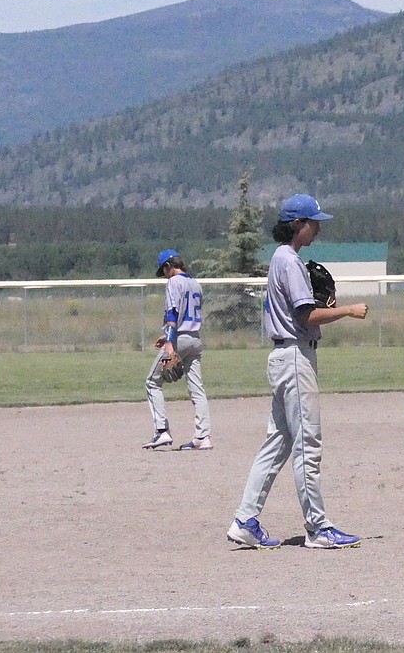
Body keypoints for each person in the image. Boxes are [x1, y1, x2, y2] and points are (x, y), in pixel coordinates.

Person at [226, 194, 368, 551]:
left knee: (278, 442)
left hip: (285, 356)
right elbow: (305, 316)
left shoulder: (283, 259)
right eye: (313, 221)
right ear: (297, 225)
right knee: (307, 443)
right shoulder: (289, 261)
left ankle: (245, 519)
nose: (318, 228)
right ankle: (318, 528)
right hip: (293, 357)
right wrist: (348, 311)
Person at [142, 249, 212, 451]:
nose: (164, 275)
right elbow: (188, 314)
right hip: (195, 339)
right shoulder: (195, 283)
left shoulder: (174, 282)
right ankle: (203, 436)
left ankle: (161, 431)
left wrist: (169, 344)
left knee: (152, 383)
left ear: (168, 266)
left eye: (163, 270)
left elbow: (172, 314)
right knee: (197, 388)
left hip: (179, 339)